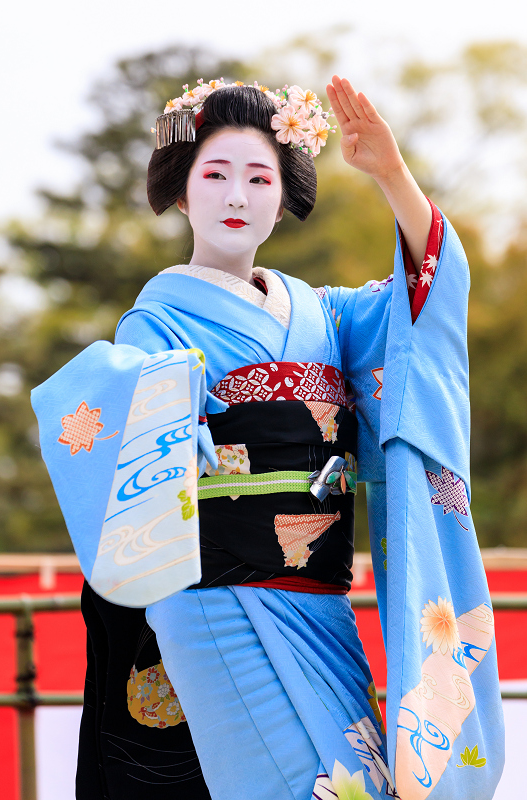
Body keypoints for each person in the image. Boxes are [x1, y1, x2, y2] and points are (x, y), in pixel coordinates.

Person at [32, 77, 504, 800]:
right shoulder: (157, 322)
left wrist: (389, 173)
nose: (235, 196)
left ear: (282, 198)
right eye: (214, 175)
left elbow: (424, 298)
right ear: (181, 192)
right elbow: (115, 409)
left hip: (319, 599)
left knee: (363, 785)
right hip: (215, 598)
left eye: (259, 178)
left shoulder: (323, 314)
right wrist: (163, 407)